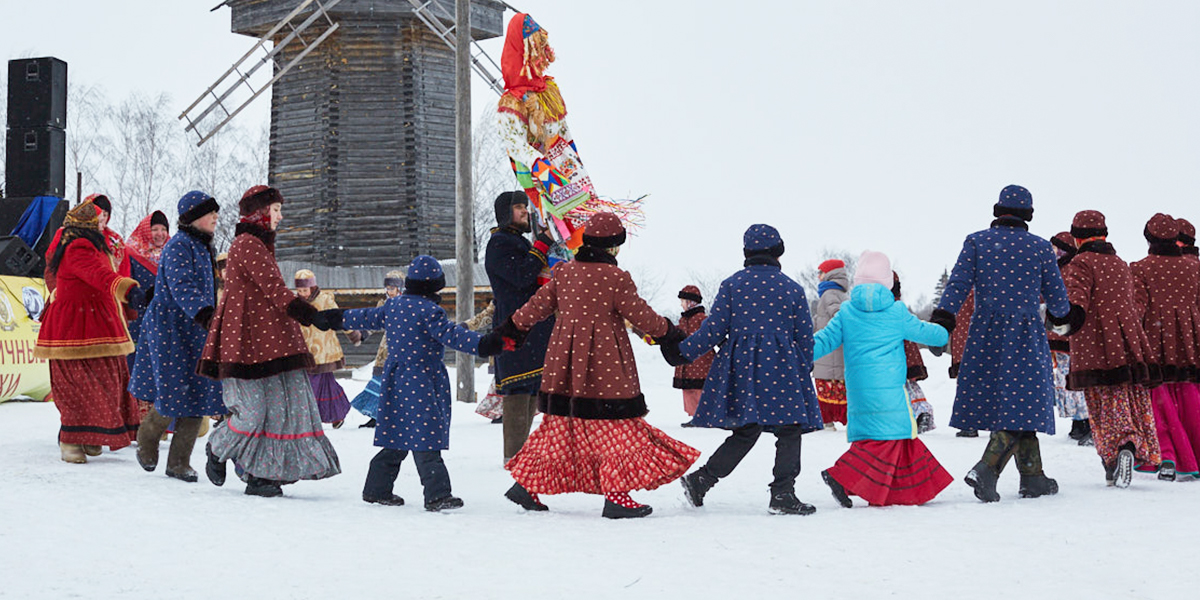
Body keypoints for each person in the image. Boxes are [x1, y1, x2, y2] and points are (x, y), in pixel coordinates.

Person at [503, 212, 699, 519]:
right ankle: (616, 497)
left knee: (560, 425)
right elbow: (641, 315)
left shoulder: (564, 273)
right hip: (604, 364)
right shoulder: (616, 278)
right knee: (615, 428)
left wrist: (511, 328)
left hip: (563, 364)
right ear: (612, 247)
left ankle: (525, 486)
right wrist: (669, 331)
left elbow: (535, 307)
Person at [319, 256, 509, 511]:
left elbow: (366, 316)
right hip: (422, 378)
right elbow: (452, 335)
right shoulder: (431, 311)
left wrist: (336, 318)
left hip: (395, 378)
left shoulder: (393, 306)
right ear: (435, 285)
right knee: (425, 435)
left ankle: (377, 488)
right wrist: (485, 344)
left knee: (396, 436)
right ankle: (437, 494)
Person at [667, 224, 825, 516]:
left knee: (746, 429)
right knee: (789, 430)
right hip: (784, 369)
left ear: (746, 253)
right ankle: (782, 494)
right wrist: (804, 366)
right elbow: (804, 335)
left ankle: (701, 481)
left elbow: (712, 330)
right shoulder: (792, 288)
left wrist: (681, 352)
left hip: (743, 368)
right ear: (778, 252)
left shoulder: (732, 285)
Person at [198, 185, 341, 497]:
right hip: (245, 341)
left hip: (270, 340)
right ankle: (217, 447)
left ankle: (262, 475)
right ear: (260, 213)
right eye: (275, 210)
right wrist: (311, 315)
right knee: (252, 411)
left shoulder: (260, 245)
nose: (281, 216)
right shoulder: (247, 244)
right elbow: (275, 289)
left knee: (278, 410)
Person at [932, 185, 1071, 503]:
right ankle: (986, 468)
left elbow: (958, 283)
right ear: (1028, 215)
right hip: (1024, 332)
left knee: (1009, 403)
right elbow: (1056, 296)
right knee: (1024, 401)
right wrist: (1065, 318)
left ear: (998, 210)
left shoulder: (977, 241)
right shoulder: (1039, 248)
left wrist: (944, 318)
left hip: (986, 333)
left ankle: (1033, 477)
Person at [814, 251, 953, 507]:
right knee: (888, 439)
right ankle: (841, 476)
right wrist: (944, 332)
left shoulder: (846, 312)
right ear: (887, 280)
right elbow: (927, 333)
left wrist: (796, 351)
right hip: (888, 389)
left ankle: (901, 490)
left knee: (891, 438)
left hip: (859, 389)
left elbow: (823, 341)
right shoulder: (895, 311)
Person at [33, 198, 142, 463]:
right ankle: (71, 440)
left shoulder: (95, 243)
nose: (103, 220)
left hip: (96, 322)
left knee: (107, 383)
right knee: (79, 386)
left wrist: (126, 301)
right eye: (99, 216)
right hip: (76, 327)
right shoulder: (78, 246)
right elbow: (99, 275)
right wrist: (127, 289)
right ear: (90, 225)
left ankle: (91, 435)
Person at [1060, 209, 1161, 487]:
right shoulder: (1120, 263)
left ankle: (1115, 455)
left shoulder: (1080, 264)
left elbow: (1076, 304)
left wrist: (1062, 324)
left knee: (1102, 402)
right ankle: (1132, 443)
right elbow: (1134, 303)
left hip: (1096, 343)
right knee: (1127, 396)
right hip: (1129, 342)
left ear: (1078, 238)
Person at [129, 191, 224, 482]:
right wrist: (207, 315)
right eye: (211, 214)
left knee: (198, 392)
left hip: (196, 327)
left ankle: (179, 462)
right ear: (195, 217)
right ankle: (147, 436)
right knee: (174, 390)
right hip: (171, 328)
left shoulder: (204, 246)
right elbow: (182, 287)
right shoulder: (178, 247)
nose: (215, 218)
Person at [485, 191, 555, 463]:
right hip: (514, 329)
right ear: (505, 212)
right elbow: (521, 276)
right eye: (518, 207)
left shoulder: (518, 241)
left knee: (529, 393)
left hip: (532, 330)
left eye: (525, 206)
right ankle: (514, 458)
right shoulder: (499, 243)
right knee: (517, 392)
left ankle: (523, 457)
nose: (525, 211)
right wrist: (543, 243)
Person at [1129, 213, 1198, 481]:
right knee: (1190, 397)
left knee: (1159, 400)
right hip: (1190, 340)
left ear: (1149, 238)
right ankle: (1195, 456)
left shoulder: (1140, 267)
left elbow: (1138, 309)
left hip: (1154, 338)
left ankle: (1165, 454)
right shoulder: (1194, 267)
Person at [294, 269, 359, 428]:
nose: (303, 293)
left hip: (324, 350)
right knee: (325, 384)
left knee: (315, 385)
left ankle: (313, 416)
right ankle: (336, 414)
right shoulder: (295, 304)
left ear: (313, 287)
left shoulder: (325, 300)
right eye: (299, 290)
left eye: (305, 290)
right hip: (304, 352)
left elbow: (340, 318)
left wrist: (353, 334)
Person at [1048, 232, 1092, 445]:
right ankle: (1078, 421)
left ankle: (1084, 421)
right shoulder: (1060, 271)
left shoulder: (1069, 271)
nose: (1053, 252)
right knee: (1065, 381)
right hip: (1060, 335)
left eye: (1056, 249)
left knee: (1071, 381)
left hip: (1068, 335)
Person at [351, 270, 404, 428]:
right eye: (387, 288)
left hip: (401, 350)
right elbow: (374, 320)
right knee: (378, 383)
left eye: (392, 288)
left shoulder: (407, 304)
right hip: (385, 349)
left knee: (395, 386)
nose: (389, 292)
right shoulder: (384, 304)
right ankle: (376, 416)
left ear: (400, 288)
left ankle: (395, 418)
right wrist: (364, 333)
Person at [894, 272, 935, 434]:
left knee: (903, 387)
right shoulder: (899, 308)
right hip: (906, 354)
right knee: (909, 386)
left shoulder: (891, 310)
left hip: (898, 357)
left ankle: (918, 413)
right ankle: (919, 412)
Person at [812, 259, 850, 429]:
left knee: (825, 387)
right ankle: (842, 419)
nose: (818, 276)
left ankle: (827, 422)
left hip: (829, 352)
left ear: (828, 274)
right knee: (840, 389)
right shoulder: (842, 293)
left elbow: (838, 316)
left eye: (820, 272)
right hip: (839, 352)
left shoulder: (829, 293)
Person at [673, 285, 715, 427]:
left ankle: (703, 417)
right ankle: (695, 416)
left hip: (702, 362)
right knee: (689, 391)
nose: (681, 304)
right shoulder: (683, 321)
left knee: (699, 391)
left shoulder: (702, 319)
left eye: (683, 301)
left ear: (691, 303)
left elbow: (713, 336)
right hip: (686, 362)